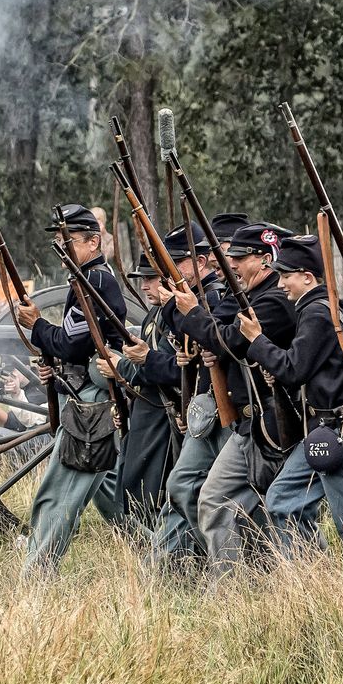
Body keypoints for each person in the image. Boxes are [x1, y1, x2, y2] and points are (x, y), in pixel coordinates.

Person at [235, 235, 343, 555]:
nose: (280, 284)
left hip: (342, 428)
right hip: (324, 429)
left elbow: (294, 368)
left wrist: (257, 340)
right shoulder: (316, 308)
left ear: (307, 277)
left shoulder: (318, 312)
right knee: (282, 501)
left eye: (286, 276)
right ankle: (312, 578)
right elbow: (304, 368)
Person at [171, 222, 297, 578]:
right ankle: (231, 590)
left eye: (241, 258)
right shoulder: (252, 297)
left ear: (265, 259)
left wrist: (194, 313)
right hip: (250, 423)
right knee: (215, 499)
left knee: (282, 510)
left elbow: (228, 340)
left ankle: (296, 587)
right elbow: (219, 335)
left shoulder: (273, 302)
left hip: (276, 425)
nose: (233, 266)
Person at [14, 204, 128, 575]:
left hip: (90, 406)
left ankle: (36, 573)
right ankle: (159, 556)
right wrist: (53, 366)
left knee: (58, 494)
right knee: (112, 495)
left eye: (69, 244)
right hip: (83, 397)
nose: (63, 255)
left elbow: (74, 344)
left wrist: (37, 326)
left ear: (93, 242)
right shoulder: (88, 278)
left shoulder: (95, 281)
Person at [143, 223, 232, 571]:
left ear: (203, 261)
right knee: (181, 485)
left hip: (225, 407)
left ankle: (231, 562)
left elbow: (213, 340)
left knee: (221, 493)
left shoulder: (215, 296)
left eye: (178, 260)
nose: (170, 269)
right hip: (202, 408)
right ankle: (201, 559)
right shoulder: (185, 298)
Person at [96, 253, 180, 532]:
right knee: (133, 488)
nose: (144, 286)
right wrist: (125, 408)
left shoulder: (174, 317)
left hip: (163, 417)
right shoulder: (153, 316)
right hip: (144, 415)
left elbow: (168, 370)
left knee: (153, 492)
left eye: (150, 279)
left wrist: (120, 368)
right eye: (143, 279)